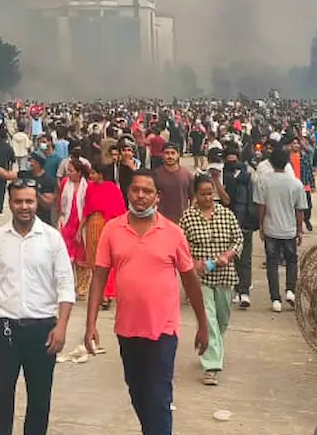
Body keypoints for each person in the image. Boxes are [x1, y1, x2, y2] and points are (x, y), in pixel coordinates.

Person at [84, 170, 210, 435]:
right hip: (127, 330)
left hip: (162, 331)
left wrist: (203, 325)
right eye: (136, 190)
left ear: (157, 197)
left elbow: (190, 281)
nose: (140, 196)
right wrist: (90, 323)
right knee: (138, 392)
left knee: (159, 396)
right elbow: (99, 278)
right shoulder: (112, 229)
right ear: (128, 192)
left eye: (147, 191)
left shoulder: (173, 233)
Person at [0, 178, 75, 435]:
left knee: (39, 399)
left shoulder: (52, 239)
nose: (24, 207)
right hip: (4, 329)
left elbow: (66, 286)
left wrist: (62, 327)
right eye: (18, 201)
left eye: (29, 201)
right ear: (9, 204)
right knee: (0, 396)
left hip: (42, 331)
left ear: (37, 202)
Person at [178, 175, 242, 386]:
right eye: (203, 194)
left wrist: (228, 255)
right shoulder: (187, 218)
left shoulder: (226, 215)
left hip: (224, 276)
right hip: (200, 279)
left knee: (222, 319)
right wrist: (194, 263)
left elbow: (238, 239)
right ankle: (212, 365)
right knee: (208, 319)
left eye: (210, 193)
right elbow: (180, 246)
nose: (207, 198)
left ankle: (212, 346)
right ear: (195, 195)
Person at [61, 159, 126, 305]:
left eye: (93, 173)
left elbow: (120, 210)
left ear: (101, 174)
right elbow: (86, 210)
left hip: (109, 226)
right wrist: (80, 229)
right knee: (95, 261)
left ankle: (107, 293)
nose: (90, 175)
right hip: (93, 227)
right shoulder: (90, 188)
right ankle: (100, 293)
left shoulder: (112, 188)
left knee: (108, 260)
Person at [255, 147, 307, 314]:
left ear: (270, 162)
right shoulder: (295, 183)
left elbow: (261, 206)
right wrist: (300, 230)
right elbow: (300, 209)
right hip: (289, 229)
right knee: (292, 261)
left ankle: (275, 299)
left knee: (272, 263)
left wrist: (261, 226)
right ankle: (290, 290)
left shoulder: (263, 180)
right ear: (287, 162)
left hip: (271, 228)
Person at [217, 146, 256, 309]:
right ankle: (239, 289)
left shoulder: (237, 178)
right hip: (231, 223)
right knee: (234, 259)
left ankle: (243, 290)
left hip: (240, 223)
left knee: (243, 259)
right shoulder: (246, 176)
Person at [152, 144, 192, 223]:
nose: (170, 156)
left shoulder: (187, 174)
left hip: (183, 220)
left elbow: (193, 197)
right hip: (161, 220)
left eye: (173, 153)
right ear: (162, 155)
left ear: (178, 155)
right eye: (167, 153)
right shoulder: (155, 175)